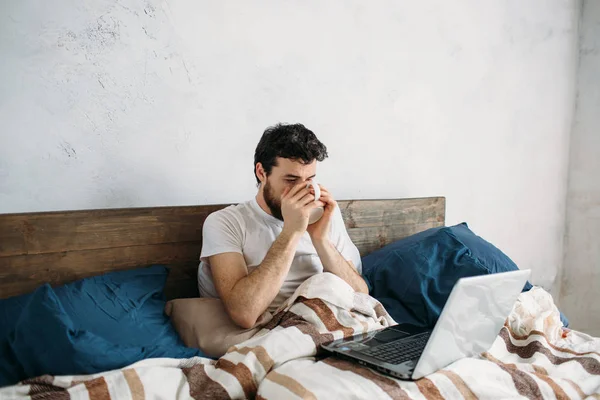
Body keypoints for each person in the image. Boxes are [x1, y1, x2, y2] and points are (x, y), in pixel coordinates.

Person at [197, 123, 368, 329]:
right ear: (262, 172)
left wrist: (321, 240)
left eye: (310, 179)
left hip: (333, 324)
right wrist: (292, 231)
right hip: (276, 330)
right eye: (291, 179)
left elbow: (362, 299)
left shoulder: (325, 214)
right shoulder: (226, 222)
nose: (303, 190)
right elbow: (244, 313)